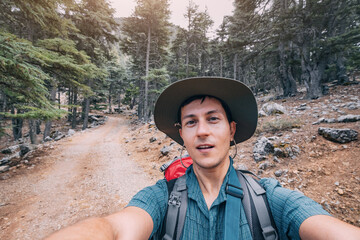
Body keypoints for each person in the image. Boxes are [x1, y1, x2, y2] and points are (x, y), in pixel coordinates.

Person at [46, 77, 360, 240]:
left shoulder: (270, 200)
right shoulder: (161, 199)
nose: (202, 132)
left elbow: (321, 226)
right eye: (192, 122)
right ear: (181, 133)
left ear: (231, 129)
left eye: (213, 119)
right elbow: (115, 228)